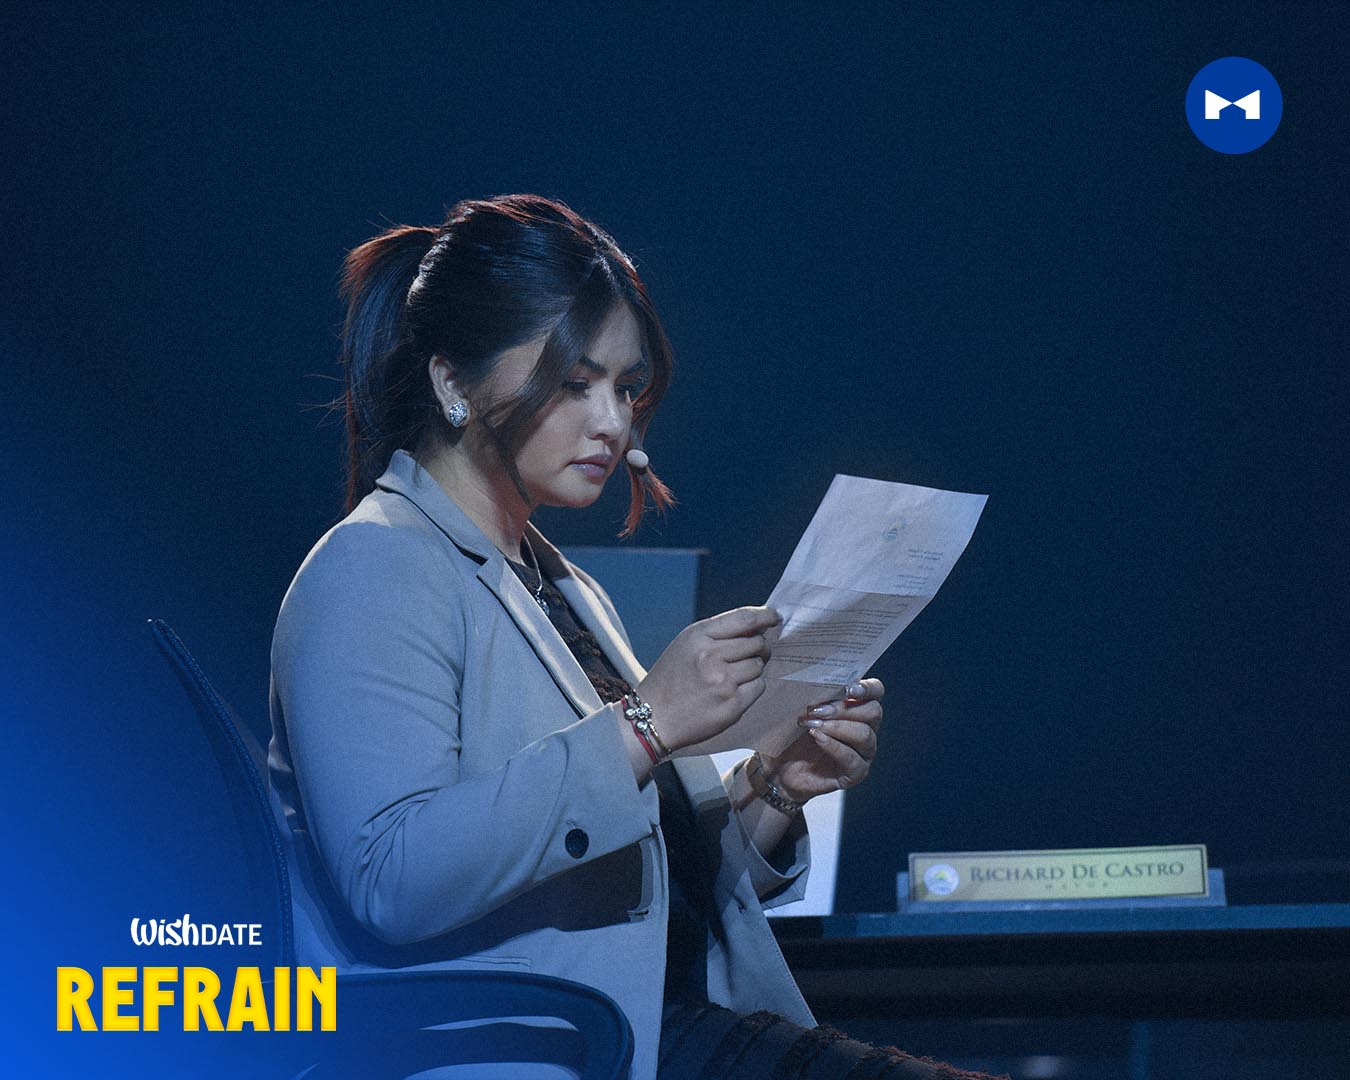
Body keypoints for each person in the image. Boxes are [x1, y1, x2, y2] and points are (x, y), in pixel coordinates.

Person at [268, 194, 1000, 1079]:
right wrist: (646, 724)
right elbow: (392, 878)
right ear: (453, 382)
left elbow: (649, 885)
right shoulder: (375, 565)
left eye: (625, 388)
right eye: (573, 384)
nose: (613, 422)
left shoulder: (565, 589)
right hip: (546, 1046)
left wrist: (777, 783)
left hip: (663, 1028)